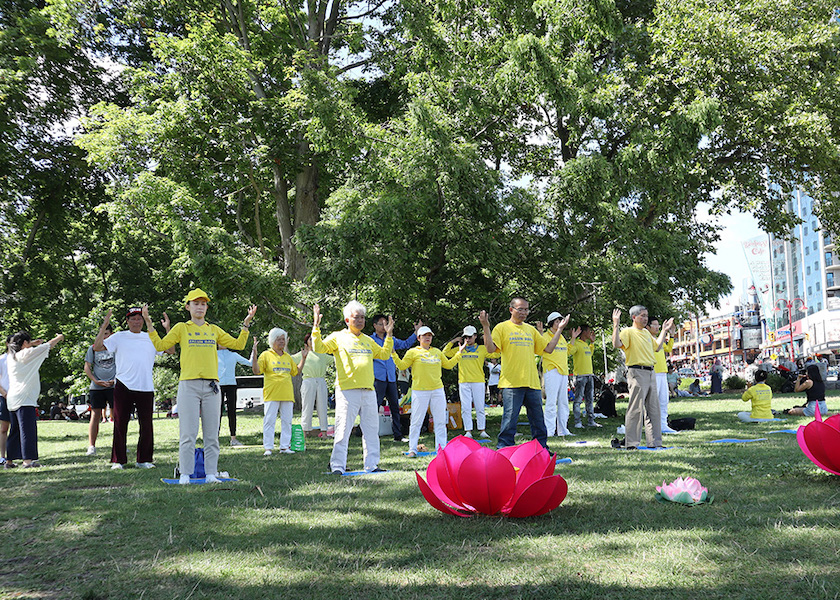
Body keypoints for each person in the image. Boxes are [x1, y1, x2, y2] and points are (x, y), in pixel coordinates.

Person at [144, 290, 256, 484]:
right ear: (188, 306)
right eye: (196, 303)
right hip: (188, 385)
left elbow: (238, 344)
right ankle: (185, 474)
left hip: (212, 386)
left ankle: (211, 474)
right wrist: (149, 323)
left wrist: (246, 322)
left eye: (203, 304)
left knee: (212, 434)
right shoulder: (181, 328)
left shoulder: (213, 329)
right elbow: (161, 345)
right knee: (188, 434)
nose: (200, 307)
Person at [312, 301, 394, 474]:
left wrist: (389, 335)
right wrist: (316, 327)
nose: (360, 321)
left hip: (368, 391)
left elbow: (385, 354)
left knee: (372, 431)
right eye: (357, 317)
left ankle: (371, 465)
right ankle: (337, 466)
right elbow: (319, 348)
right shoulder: (338, 337)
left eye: (363, 317)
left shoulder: (368, 340)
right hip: (347, 391)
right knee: (342, 430)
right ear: (347, 319)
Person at [480, 297, 565, 449]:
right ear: (511, 310)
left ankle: (541, 450)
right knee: (509, 421)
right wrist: (486, 327)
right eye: (521, 309)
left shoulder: (531, 330)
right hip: (511, 383)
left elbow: (548, 349)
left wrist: (559, 330)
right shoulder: (502, 327)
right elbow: (491, 349)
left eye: (526, 309)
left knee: (538, 421)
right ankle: (504, 450)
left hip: (532, 383)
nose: (524, 312)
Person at [95, 308, 170, 469]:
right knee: (120, 424)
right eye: (133, 319)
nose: (136, 322)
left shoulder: (151, 336)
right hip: (124, 384)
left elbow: (170, 350)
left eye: (139, 319)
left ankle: (143, 460)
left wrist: (167, 329)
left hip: (145, 386)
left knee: (147, 425)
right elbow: (97, 347)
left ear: (143, 321)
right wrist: (104, 326)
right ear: (127, 321)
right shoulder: (119, 336)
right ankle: (118, 460)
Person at [394, 326, 465, 457]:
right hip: (419, 391)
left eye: (430, 335)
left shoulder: (437, 352)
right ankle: (412, 449)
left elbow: (448, 365)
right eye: (424, 335)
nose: (427, 337)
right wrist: (393, 353)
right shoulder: (413, 352)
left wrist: (459, 353)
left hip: (437, 390)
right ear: (418, 338)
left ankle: (442, 449)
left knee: (440, 421)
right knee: (416, 421)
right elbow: (402, 366)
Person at [611, 306, 673, 450]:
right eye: (642, 316)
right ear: (634, 317)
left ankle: (655, 443)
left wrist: (664, 330)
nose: (645, 318)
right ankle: (631, 443)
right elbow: (616, 344)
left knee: (654, 409)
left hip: (651, 371)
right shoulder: (628, 332)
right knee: (636, 409)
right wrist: (616, 324)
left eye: (646, 315)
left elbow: (657, 347)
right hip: (637, 372)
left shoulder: (646, 333)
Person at [5, 330, 65, 468]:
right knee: (28, 430)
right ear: (25, 343)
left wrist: (31, 343)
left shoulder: (11, 357)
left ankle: (9, 461)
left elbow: (20, 347)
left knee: (15, 431)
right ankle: (28, 460)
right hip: (25, 398)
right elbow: (48, 346)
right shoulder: (27, 354)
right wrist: (59, 337)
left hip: (13, 398)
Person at [252, 328, 306, 455]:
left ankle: (285, 447)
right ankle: (268, 447)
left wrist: (303, 359)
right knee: (269, 420)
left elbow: (296, 372)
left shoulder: (288, 357)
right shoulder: (265, 355)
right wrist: (254, 355)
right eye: (279, 339)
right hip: (271, 394)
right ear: (272, 341)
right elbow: (256, 370)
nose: (282, 342)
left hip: (287, 394)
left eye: (283, 339)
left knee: (287, 421)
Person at [442, 325, 499, 439]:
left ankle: (482, 430)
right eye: (465, 337)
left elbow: (496, 353)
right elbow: (445, 353)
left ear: (475, 336)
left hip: (478, 381)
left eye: (470, 336)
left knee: (480, 407)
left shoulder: (482, 348)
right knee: (466, 408)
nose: (468, 339)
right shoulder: (460, 349)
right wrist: (454, 341)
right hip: (464, 381)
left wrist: (490, 339)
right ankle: (468, 431)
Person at [371, 314, 419, 443]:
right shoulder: (370, 340)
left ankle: (398, 435)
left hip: (391, 378)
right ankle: (371, 435)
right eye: (381, 324)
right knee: (374, 407)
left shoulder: (391, 339)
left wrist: (416, 332)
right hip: (378, 378)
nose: (384, 326)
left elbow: (406, 344)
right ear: (375, 325)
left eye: (386, 324)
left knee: (395, 407)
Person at [536, 312, 573, 437]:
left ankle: (563, 429)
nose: (560, 323)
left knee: (564, 402)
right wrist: (541, 333)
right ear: (551, 323)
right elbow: (544, 349)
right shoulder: (546, 336)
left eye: (560, 321)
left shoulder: (561, 337)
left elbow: (567, 351)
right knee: (551, 402)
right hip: (552, 371)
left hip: (563, 372)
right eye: (557, 321)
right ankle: (549, 430)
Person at [291, 333, 333, 437]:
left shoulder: (322, 354)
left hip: (321, 381)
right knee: (307, 407)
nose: (313, 341)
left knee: (322, 407)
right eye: (310, 339)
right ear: (306, 343)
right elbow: (288, 359)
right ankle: (305, 431)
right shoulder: (302, 354)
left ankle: (324, 432)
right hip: (308, 381)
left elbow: (335, 359)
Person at [84, 323, 116, 456]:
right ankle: (91, 446)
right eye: (101, 334)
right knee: (95, 415)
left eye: (106, 334)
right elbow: (87, 367)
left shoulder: (116, 348)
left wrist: (116, 380)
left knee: (118, 416)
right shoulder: (92, 349)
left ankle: (119, 444)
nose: (103, 337)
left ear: (111, 335)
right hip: (97, 387)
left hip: (114, 386)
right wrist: (95, 380)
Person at [217, 343, 252, 446]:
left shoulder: (233, 355)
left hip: (231, 385)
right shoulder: (213, 354)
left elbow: (249, 363)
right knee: (216, 413)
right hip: (218, 385)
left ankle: (233, 438)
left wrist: (254, 350)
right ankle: (214, 439)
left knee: (232, 412)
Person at [647, 318, 678, 434]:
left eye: (658, 325)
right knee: (653, 402)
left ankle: (663, 425)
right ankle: (653, 426)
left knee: (664, 400)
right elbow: (656, 346)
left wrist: (672, 335)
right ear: (648, 327)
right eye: (654, 325)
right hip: (653, 373)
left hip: (662, 373)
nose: (657, 327)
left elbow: (669, 348)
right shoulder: (647, 338)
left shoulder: (657, 339)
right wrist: (664, 331)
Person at [568, 324, 600, 428]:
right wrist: (573, 338)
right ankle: (578, 422)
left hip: (589, 375)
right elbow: (570, 352)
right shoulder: (576, 343)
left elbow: (589, 354)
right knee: (578, 400)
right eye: (588, 331)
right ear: (583, 332)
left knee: (590, 399)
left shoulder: (585, 344)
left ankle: (591, 421)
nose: (590, 333)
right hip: (580, 376)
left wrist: (592, 343)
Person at [0, 337, 10, 467]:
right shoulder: (2, 359)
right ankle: (2, 456)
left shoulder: (21, 358)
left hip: (19, 397)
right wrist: (4, 393)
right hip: (4, 396)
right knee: (3, 428)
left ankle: (14, 456)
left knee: (19, 427)